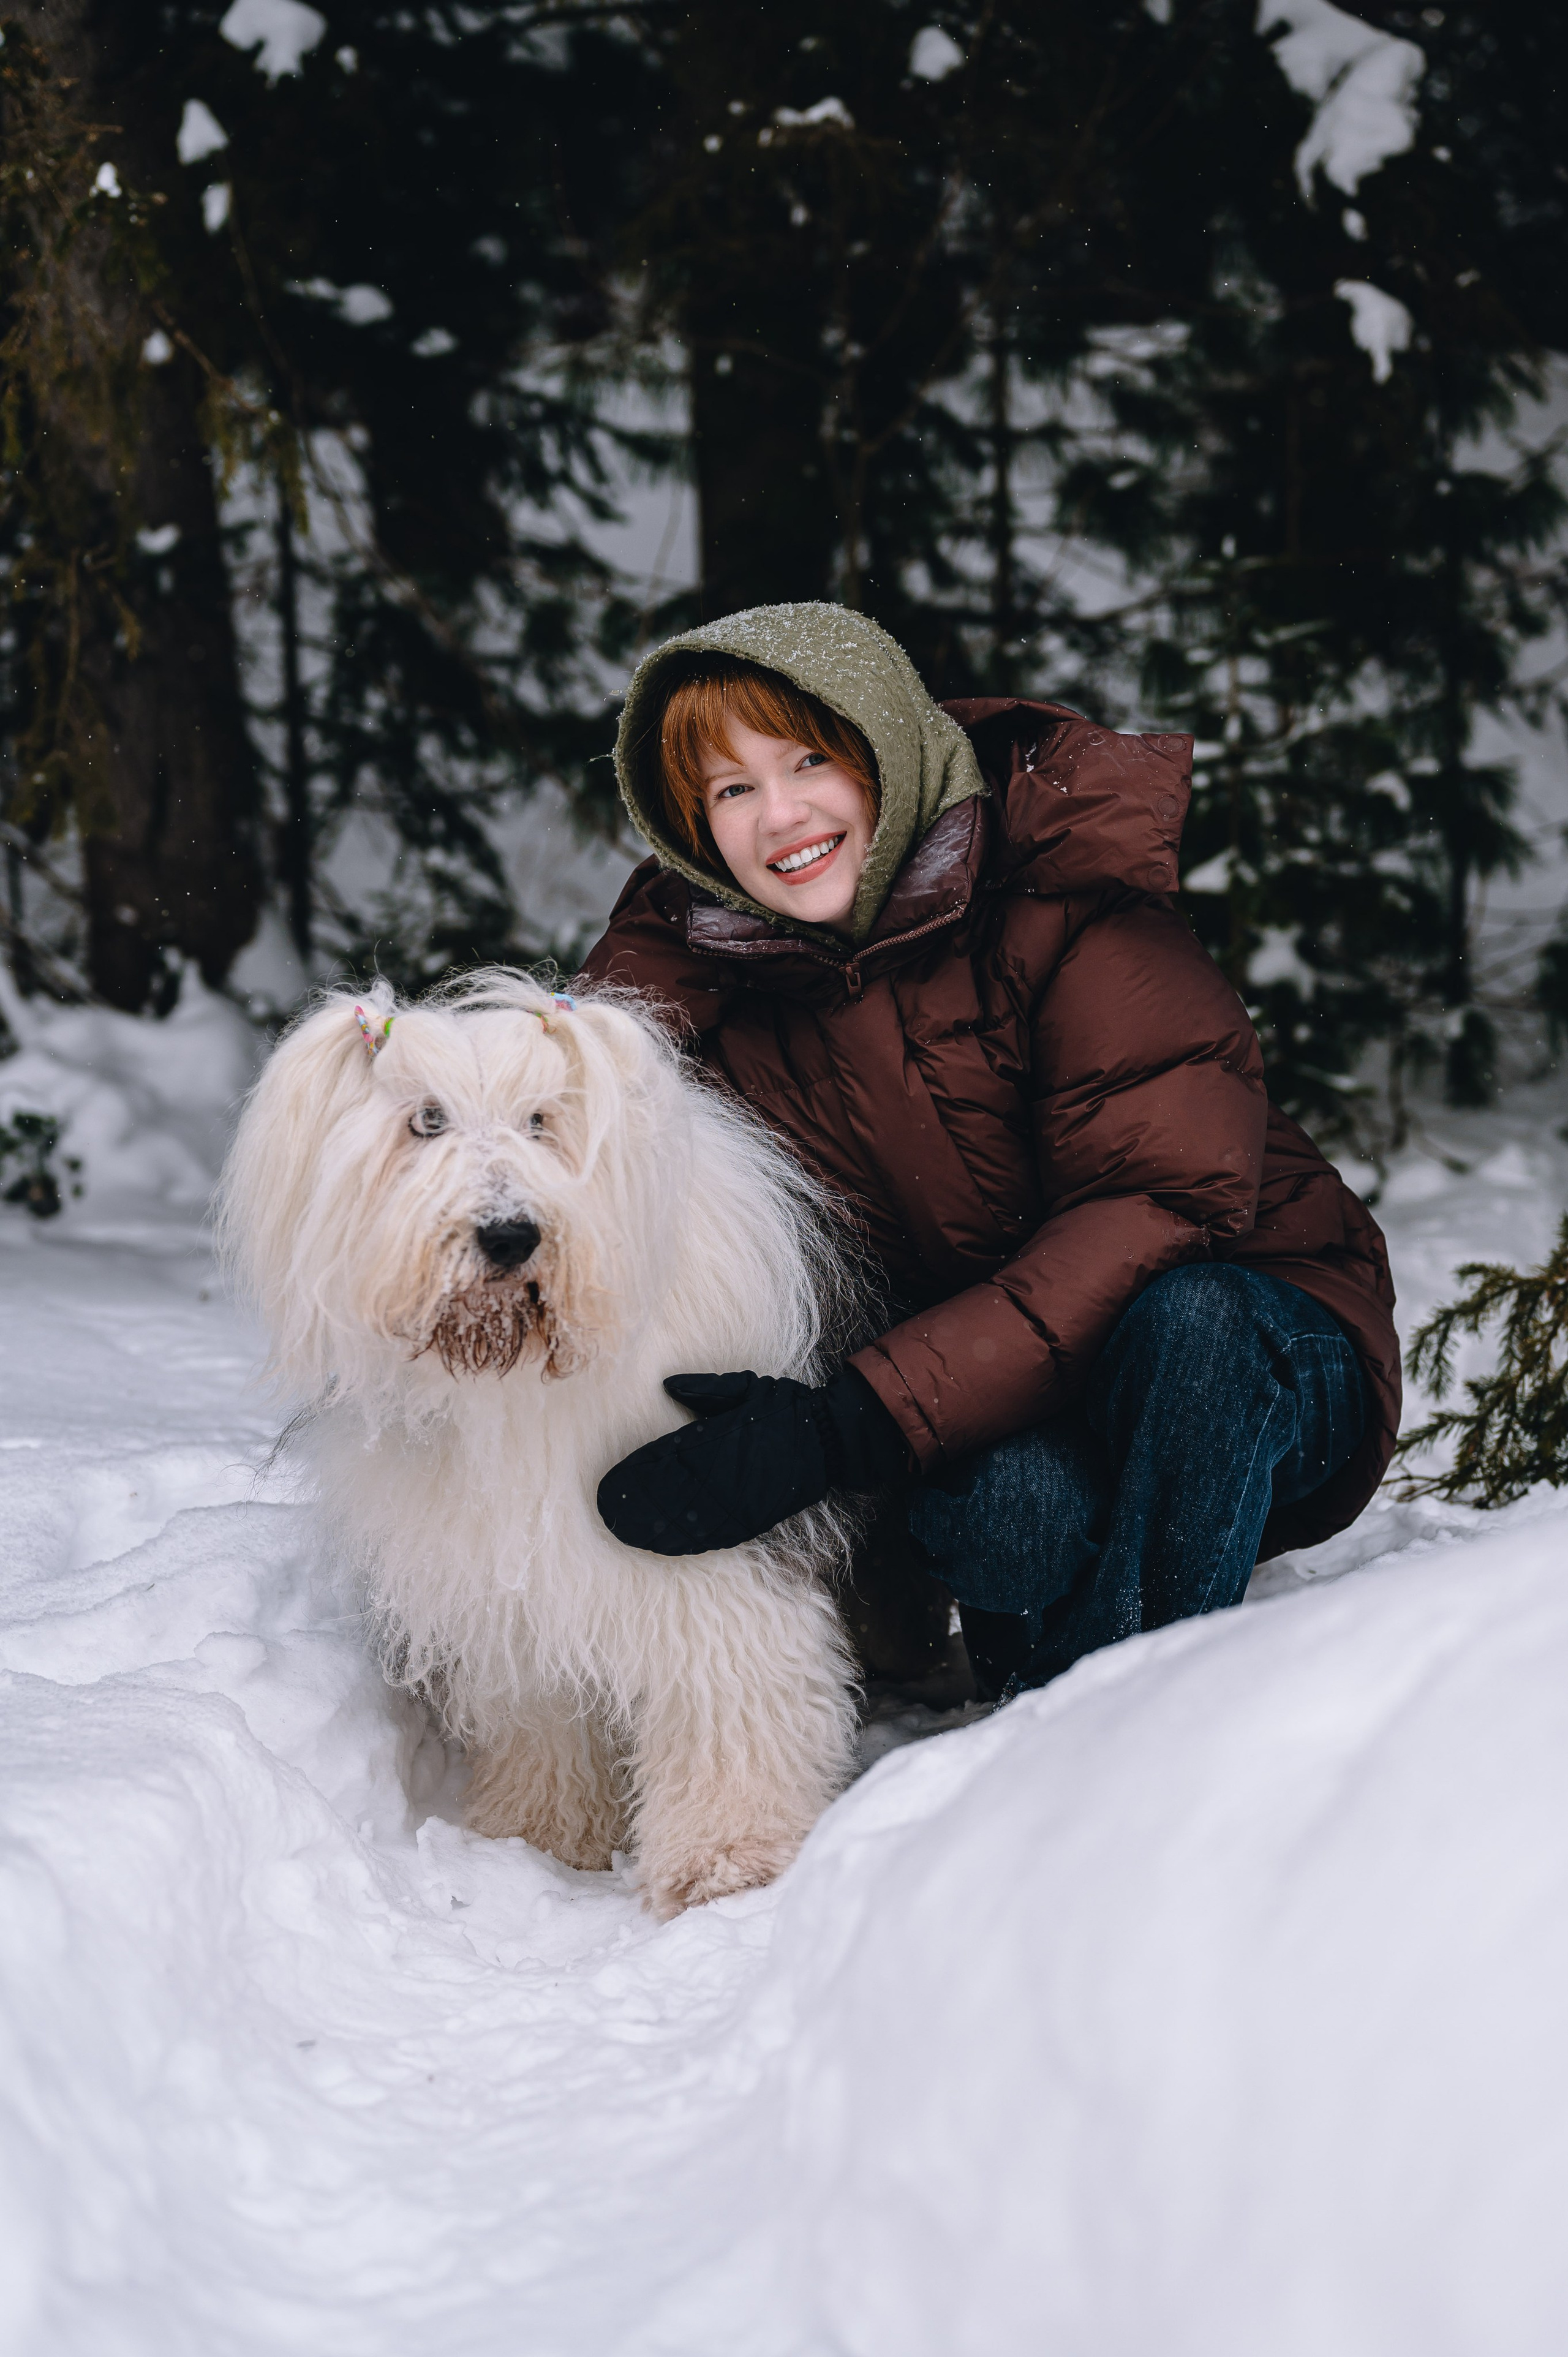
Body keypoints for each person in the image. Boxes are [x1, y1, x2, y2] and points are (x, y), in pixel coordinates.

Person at [581, 603, 1400, 1698]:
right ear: (694, 833)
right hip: (1008, 1383)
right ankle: (1053, 1678)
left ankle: (1126, 1729)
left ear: (886, 749)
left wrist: (851, 1425)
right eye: (731, 791)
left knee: (1191, 1329)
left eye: (808, 759)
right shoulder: (727, 1013)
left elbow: (1160, 1207)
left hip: (1263, 1338)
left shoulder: (1067, 894)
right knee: (1003, 1516)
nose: (780, 816)